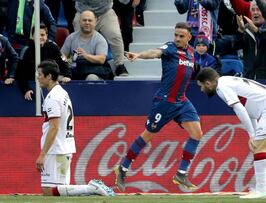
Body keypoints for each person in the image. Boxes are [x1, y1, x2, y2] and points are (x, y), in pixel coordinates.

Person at [114, 22, 203, 192]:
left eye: (181, 36)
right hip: (165, 102)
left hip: (182, 101)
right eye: (175, 35)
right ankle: (123, 168)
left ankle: (181, 174)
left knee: (197, 133)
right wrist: (139, 55)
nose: (177, 38)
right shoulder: (170, 48)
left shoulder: (191, 53)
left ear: (189, 38)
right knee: (147, 136)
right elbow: (155, 52)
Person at [196, 67, 266, 199]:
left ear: (208, 83)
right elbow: (250, 111)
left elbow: (240, 109)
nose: (201, 90)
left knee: (258, 145)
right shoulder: (228, 81)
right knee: (261, 147)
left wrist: (251, 135)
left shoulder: (221, 87)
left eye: (201, 86)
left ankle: (261, 191)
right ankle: (262, 189)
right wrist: (254, 133)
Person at [36, 59, 115, 196]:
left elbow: (54, 127)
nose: (37, 77)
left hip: (56, 149)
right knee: (61, 192)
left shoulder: (53, 98)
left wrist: (42, 154)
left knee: (48, 191)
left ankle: (92, 188)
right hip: (65, 146)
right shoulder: (62, 93)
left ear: (49, 76)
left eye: (40, 74)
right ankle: (92, 188)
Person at [73, 0, 129, 77]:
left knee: (115, 35)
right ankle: (83, 66)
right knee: (81, 38)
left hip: (105, 12)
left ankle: (120, 65)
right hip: (83, 13)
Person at [16, 24, 71, 100]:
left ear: (46, 36)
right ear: (32, 37)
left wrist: (67, 75)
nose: (40, 37)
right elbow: (20, 73)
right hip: (33, 84)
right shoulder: (26, 51)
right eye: (37, 35)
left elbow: (64, 62)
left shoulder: (53, 47)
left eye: (42, 35)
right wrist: (26, 89)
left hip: (51, 83)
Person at [61, 10, 114, 81]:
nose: (87, 23)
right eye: (84, 20)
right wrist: (67, 61)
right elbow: (62, 55)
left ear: (95, 22)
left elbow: (101, 59)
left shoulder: (100, 39)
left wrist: (85, 55)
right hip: (75, 70)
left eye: (90, 20)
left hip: (94, 72)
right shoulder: (71, 37)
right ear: (79, 22)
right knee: (59, 78)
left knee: (91, 78)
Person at [236, 1, 266, 79]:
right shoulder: (246, 28)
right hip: (249, 77)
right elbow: (236, 46)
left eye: (258, 10)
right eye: (253, 10)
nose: (255, 12)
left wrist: (257, 30)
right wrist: (240, 30)